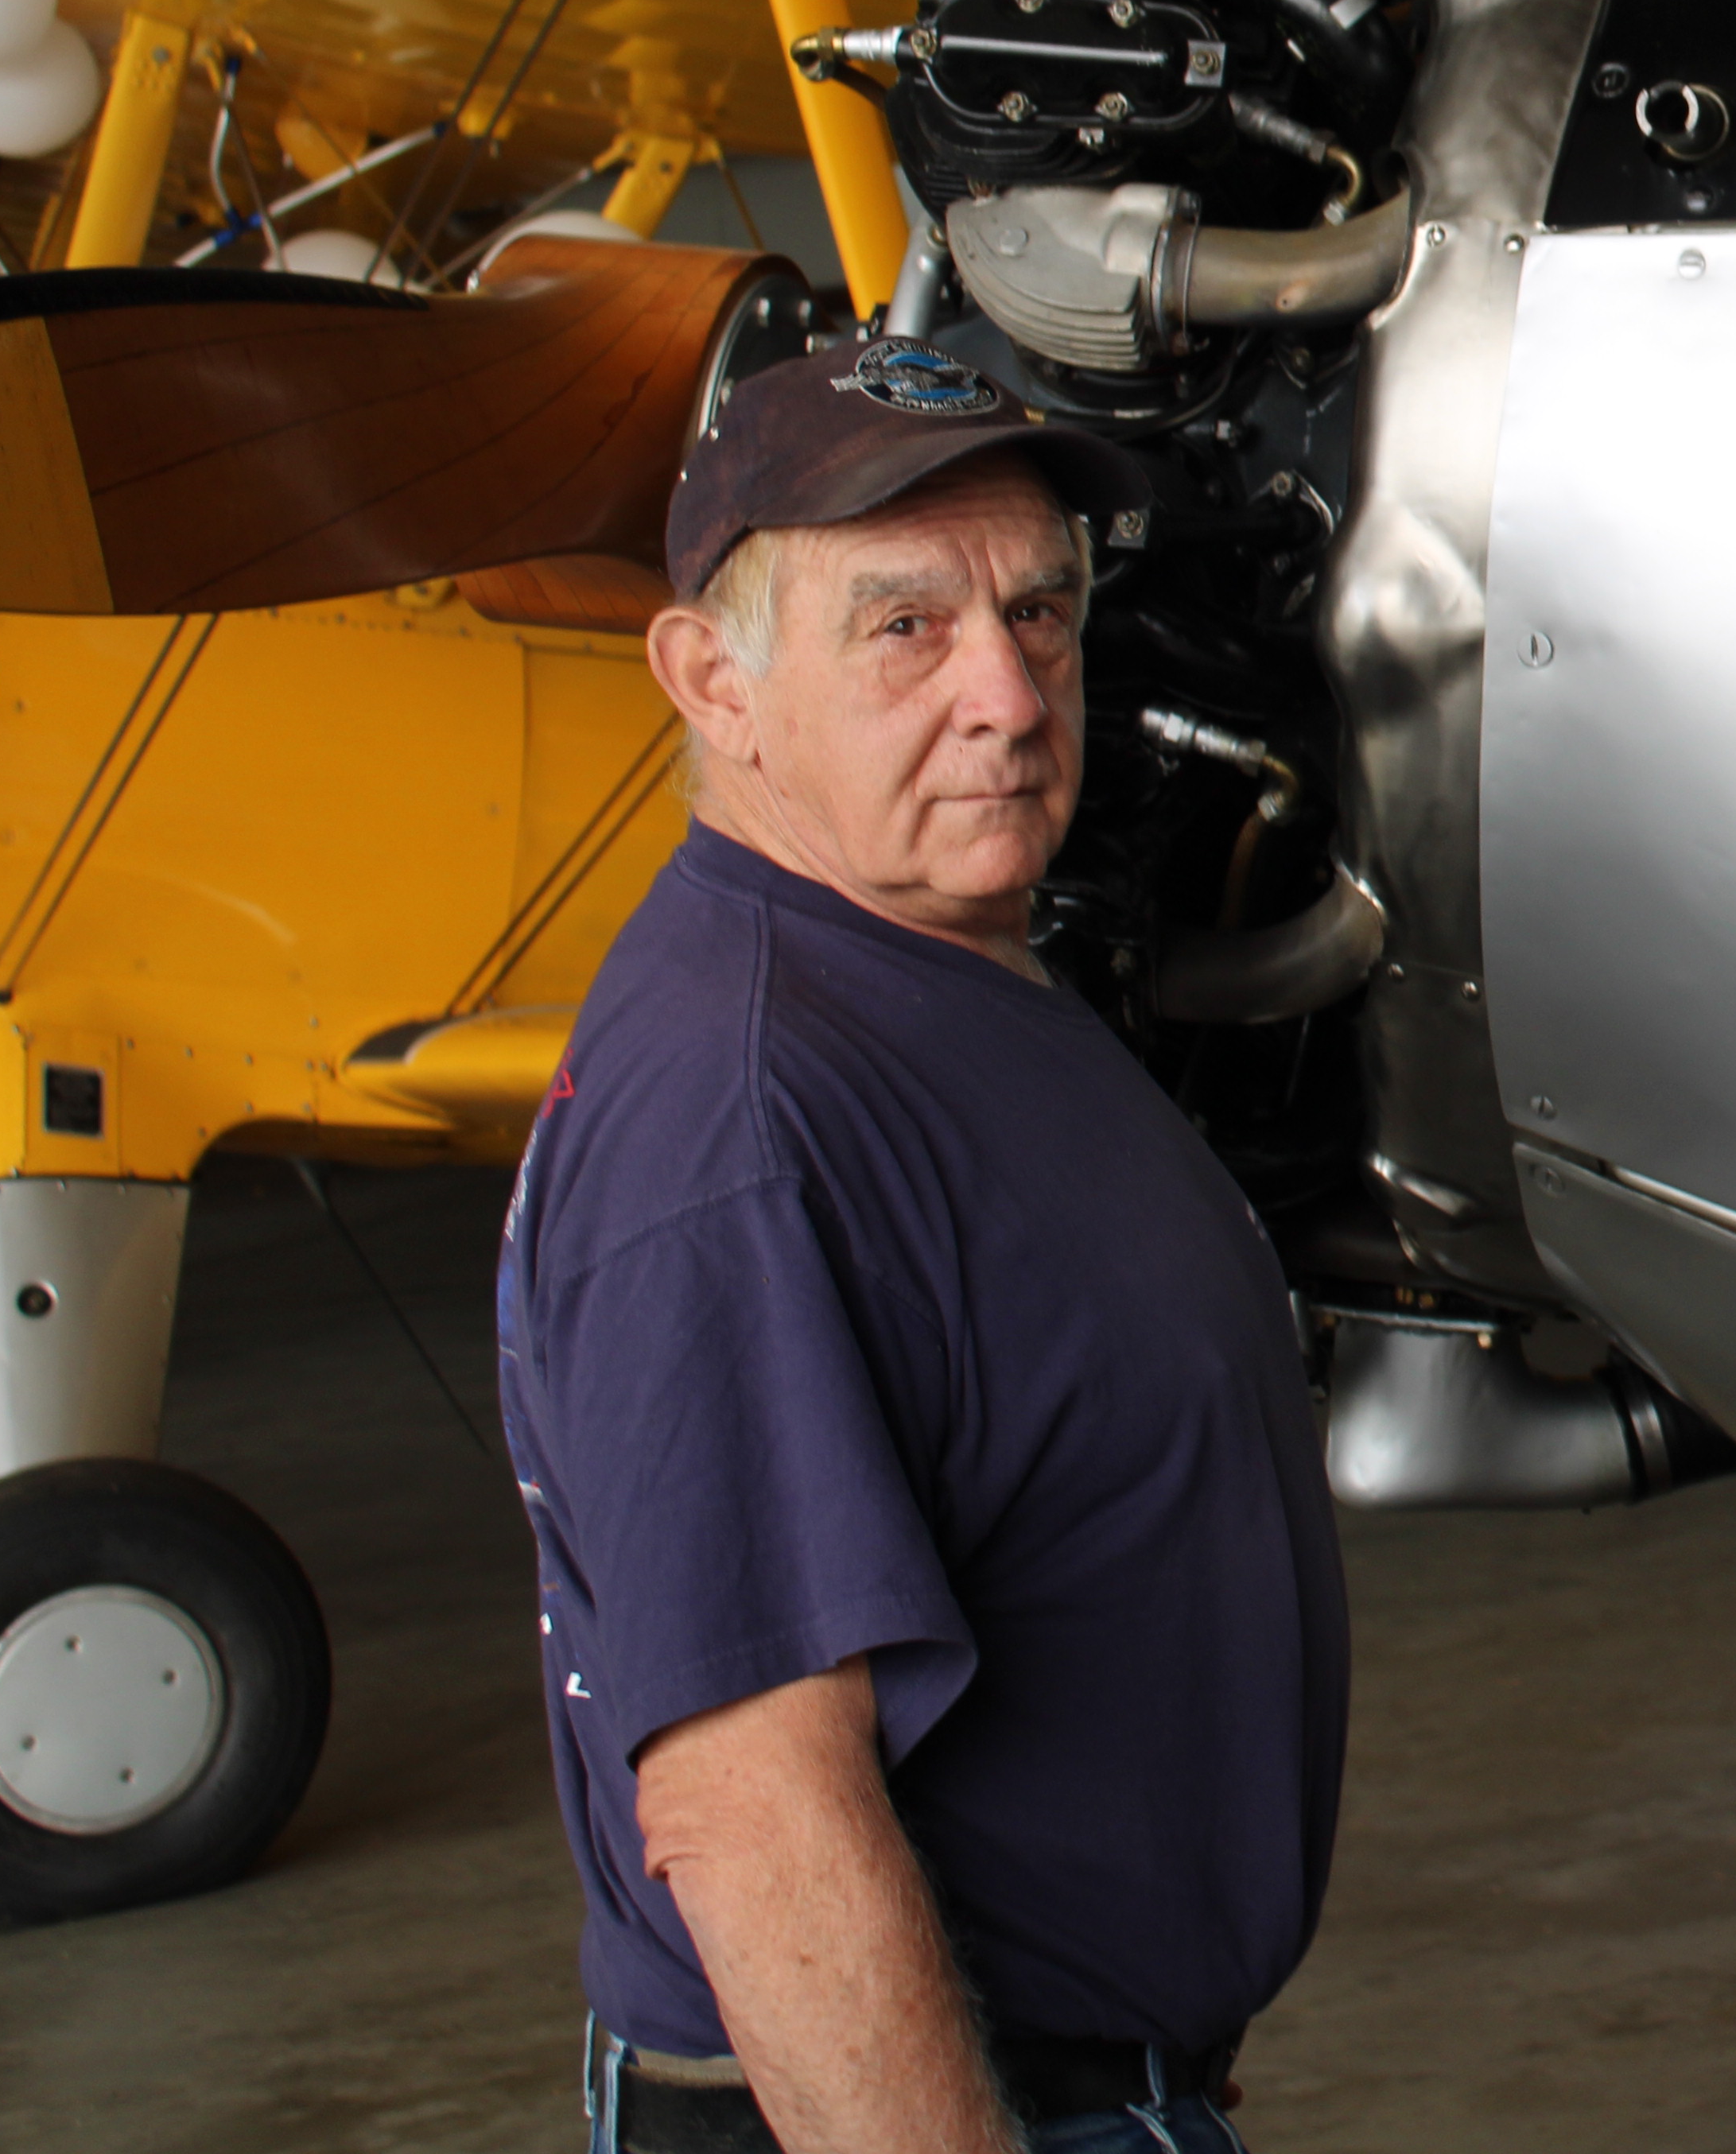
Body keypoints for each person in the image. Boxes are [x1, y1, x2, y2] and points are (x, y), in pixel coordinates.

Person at [495, 334, 1349, 2154]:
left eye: (1039, 613)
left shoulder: (930, 960)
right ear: (712, 682)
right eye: (904, 626)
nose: (1013, 695)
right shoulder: (735, 1119)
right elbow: (752, 1811)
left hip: (1095, 2083)